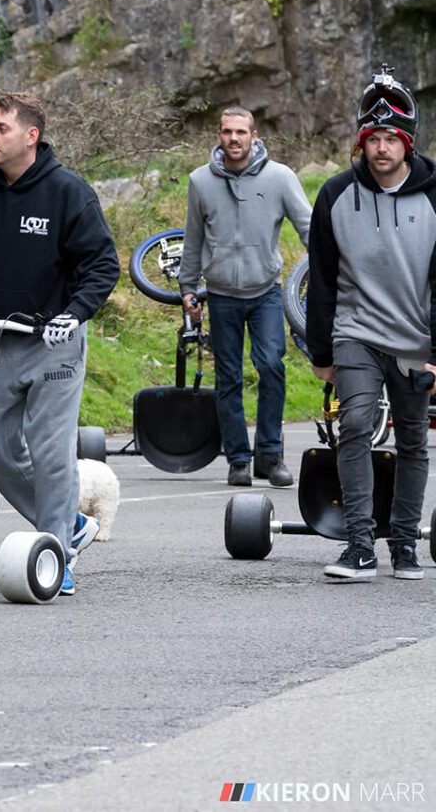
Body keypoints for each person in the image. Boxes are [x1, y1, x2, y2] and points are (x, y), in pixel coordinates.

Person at [0, 90, 119, 596]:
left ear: (31, 136)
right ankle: (69, 524)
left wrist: (74, 314)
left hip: (53, 342)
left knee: (50, 450)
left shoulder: (68, 193)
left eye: (1, 127)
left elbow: (103, 265)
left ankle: (58, 552)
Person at [306, 66, 436, 582]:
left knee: (412, 439)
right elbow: (321, 276)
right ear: (361, 143)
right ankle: (359, 544)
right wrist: (322, 354)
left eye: (390, 139)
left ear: (407, 142)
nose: (381, 148)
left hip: (415, 340)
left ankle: (404, 545)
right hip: (355, 333)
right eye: (372, 139)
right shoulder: (336, 195)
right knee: (355, 424)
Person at [178, 108, 311, 488]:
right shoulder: (200, 181)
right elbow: (193, 240)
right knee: (229, 378)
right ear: (218, 136)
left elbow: (309, 227)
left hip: (266, 291)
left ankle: (270, 455)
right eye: (226, 132)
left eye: (240, 132)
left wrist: (328, 274)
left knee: (271, 366)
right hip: (221, 295)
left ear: (254, 135)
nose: (233, 139)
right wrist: (188, 288)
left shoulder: (280, 177)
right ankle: (238, 459)